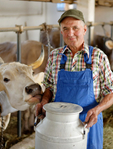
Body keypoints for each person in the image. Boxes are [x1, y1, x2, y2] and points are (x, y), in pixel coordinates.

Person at [35, 9, 113, 149]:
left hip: (89, 123)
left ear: (84, 30)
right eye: (65, 29)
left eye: (75, 28)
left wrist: (97, 110)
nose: (70, 33)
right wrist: (44, 102)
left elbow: (111, 92)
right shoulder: (54, 56)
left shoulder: (99, 57)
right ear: (61, 32)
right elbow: (49, 87)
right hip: (58, 124)